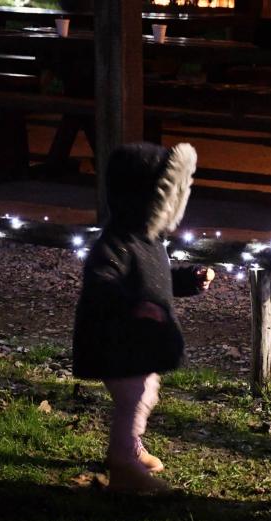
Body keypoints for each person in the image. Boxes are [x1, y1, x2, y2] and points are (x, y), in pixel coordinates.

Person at [72, 142, 214, 494]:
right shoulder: (116, 244)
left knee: (145, 393)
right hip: (114, 340)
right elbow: (102, 284)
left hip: (136, 342)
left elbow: (159, 282)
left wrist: (189, 279)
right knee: (133, 398)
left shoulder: (150, 241)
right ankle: (123, 465)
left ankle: (130, 447)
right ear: (143, 197)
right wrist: (133, 306)